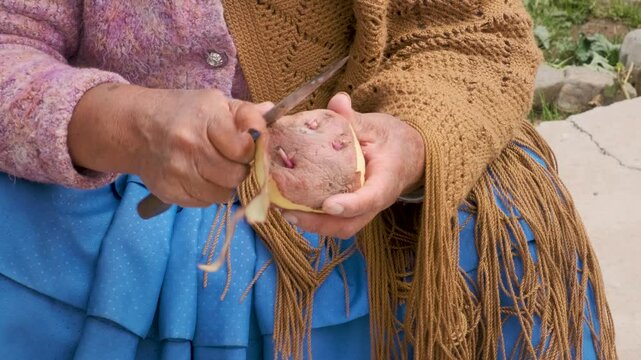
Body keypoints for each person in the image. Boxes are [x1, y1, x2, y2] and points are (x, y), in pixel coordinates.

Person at [0, 1, 616, 359]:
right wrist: (118, 122)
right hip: (99, 204)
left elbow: (478, 33)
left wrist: (413, 135)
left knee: (500, 241)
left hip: (366, 232)